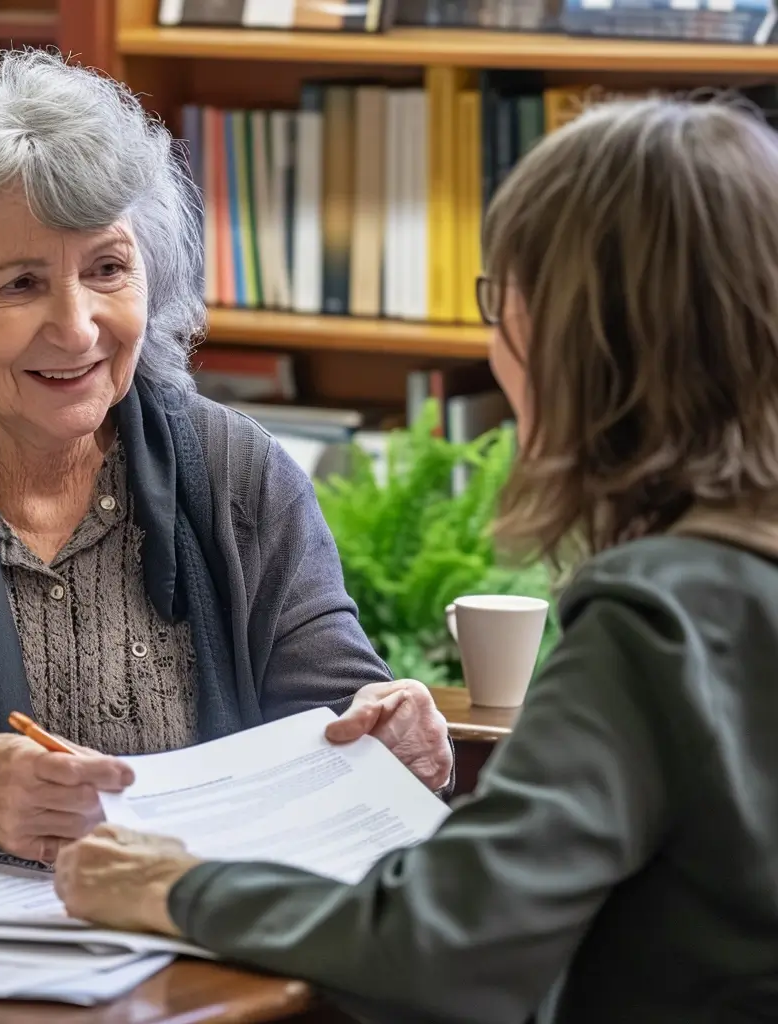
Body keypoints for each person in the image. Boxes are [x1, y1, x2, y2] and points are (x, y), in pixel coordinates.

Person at [53, 96, 778, 1023]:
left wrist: (179, 887)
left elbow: (446, 945)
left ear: (577, 337)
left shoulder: (659, 617)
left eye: (501, 298)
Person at [0, 50, 453, 858]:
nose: (79, 327)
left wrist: (389, 728)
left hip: (205, 938)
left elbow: (335, 709)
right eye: (20, 284)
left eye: (108, 268)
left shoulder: (238, 469)